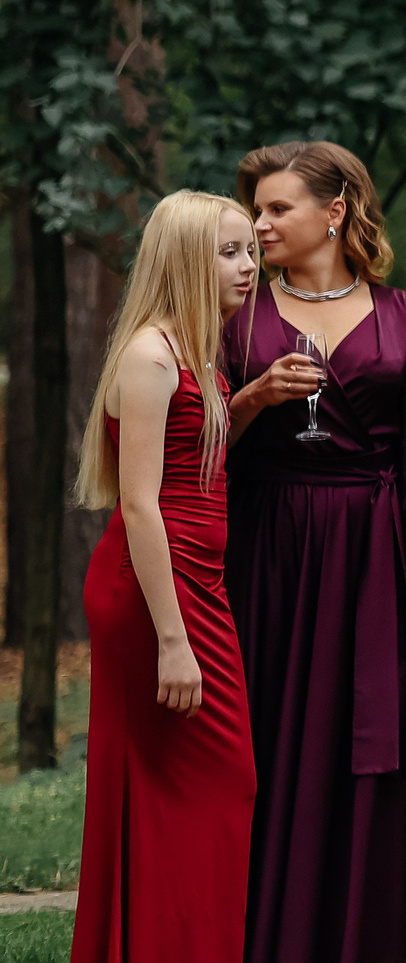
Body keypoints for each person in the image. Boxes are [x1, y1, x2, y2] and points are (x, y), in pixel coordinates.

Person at [220, 141, 406, 963]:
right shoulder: (236, 315)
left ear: (334, 212)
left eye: (277, 208)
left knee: (367, 739)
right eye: (256, 209)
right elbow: (198, 438)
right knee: (270, 730)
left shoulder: (404, 317)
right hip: (269, 542)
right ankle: (268, 934)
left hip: (369, 548)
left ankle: (363, 938)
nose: (260, 224)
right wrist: (255, 395)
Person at [71, 193, 263, 963]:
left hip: (197, 584)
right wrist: (174, 641)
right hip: (158, 594)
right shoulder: (151, 356)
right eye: (230, 251)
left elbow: (197, 458)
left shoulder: (196, 350)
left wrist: (248, 400)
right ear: (185, 258)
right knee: (209, 782)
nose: (249, 266)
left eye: (251, 250)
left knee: (206, 790)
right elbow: (141, 503)